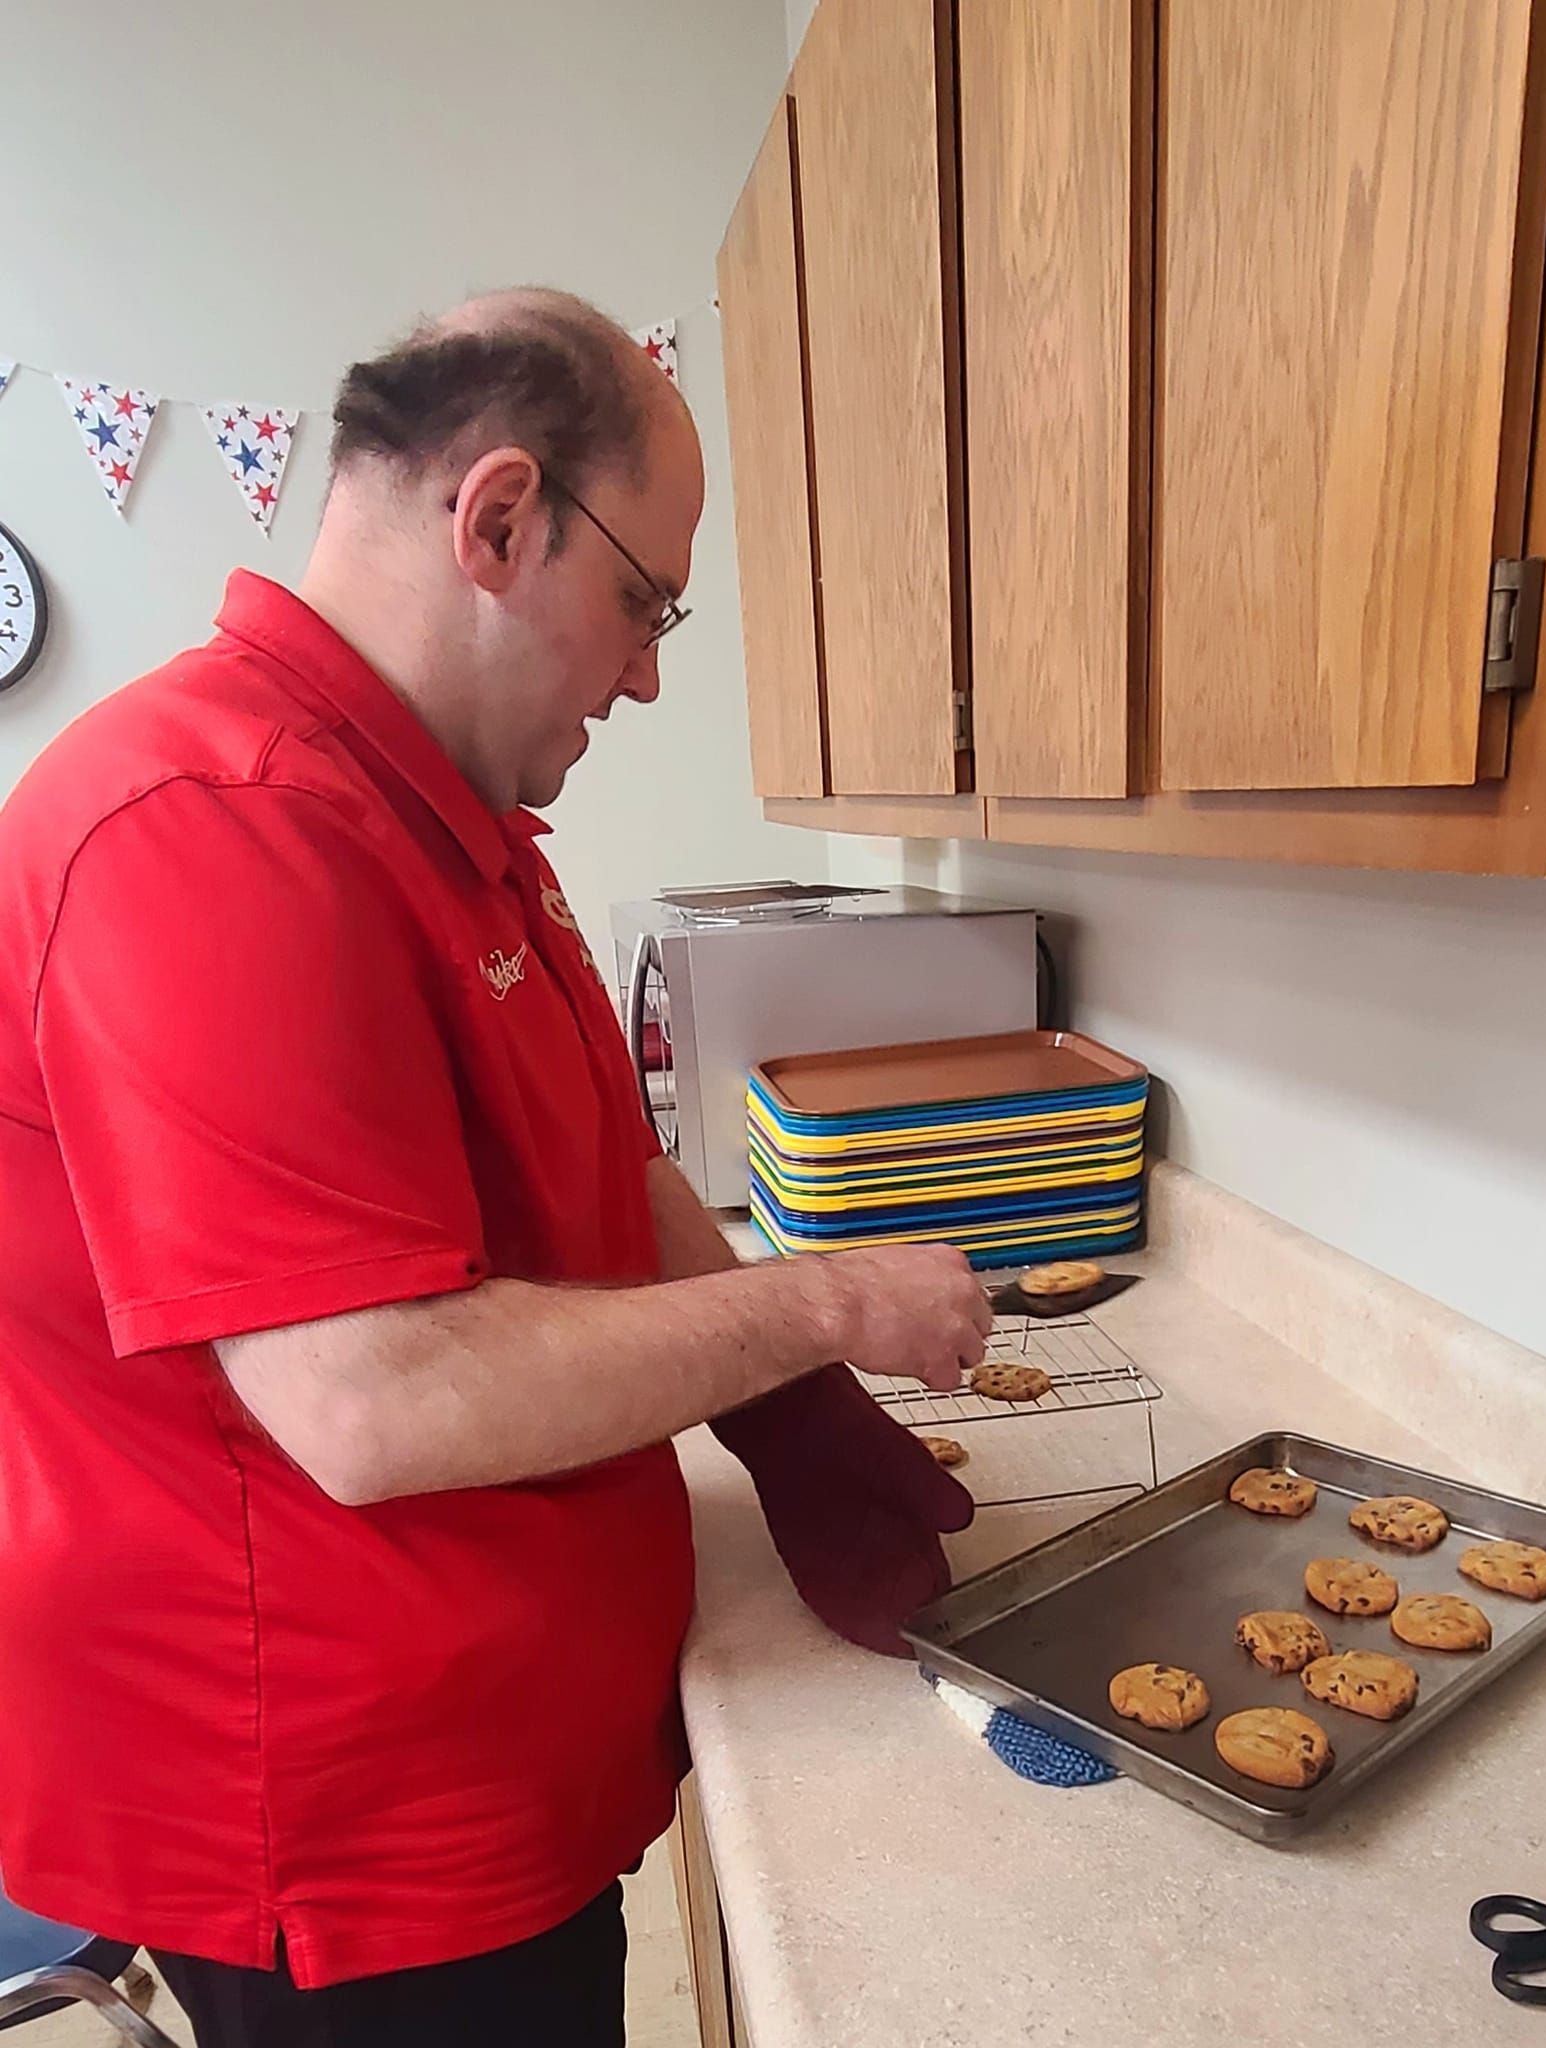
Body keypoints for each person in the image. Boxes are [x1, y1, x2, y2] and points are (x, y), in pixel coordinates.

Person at [0, 289, 991, 2047]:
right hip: (352, 1820)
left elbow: (612, 1188)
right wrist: (831, 1292)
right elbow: (375, 1398)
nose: (648, 671)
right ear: (499, 518)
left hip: (492, 1754)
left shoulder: (451, 833)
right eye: (644, 604)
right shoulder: (205, 827)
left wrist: (802, 1408)